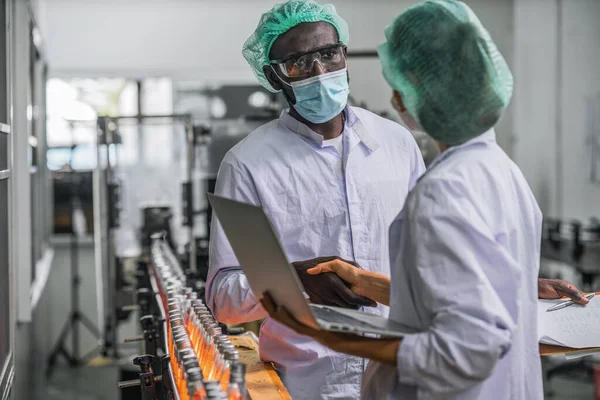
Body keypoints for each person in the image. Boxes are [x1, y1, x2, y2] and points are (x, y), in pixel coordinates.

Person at [259, 1, 587, 399]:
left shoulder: (441, 192)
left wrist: (343, 341)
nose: (396, 98)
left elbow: (464, 351)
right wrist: (365, 283)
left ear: (413, 91)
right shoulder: (500, 170)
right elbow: (454, 291)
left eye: (400, 83)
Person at [206, 0, 425, 398]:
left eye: (328, 54)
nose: (320, 72)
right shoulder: (248, 164)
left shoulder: (397, 144)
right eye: (298, 63)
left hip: (402, 372)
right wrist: (293, 282)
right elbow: (223, 298)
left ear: (345, 55)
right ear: (275, 77)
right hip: (308, 382)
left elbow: (432, 256)